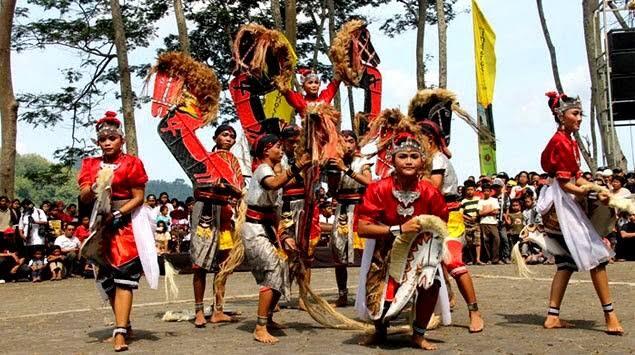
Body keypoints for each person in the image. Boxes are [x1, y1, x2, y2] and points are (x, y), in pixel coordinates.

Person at [538, 92, 622, 335]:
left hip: (563, 201)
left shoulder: (569, 140)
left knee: (566, 263)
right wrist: (594, 194)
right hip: (562, 204)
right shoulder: (561, 142)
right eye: (575, 113)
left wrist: (594, 187)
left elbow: (575, 178)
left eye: (580, 113)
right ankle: (610, 316)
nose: (580, 118)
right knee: (598, 257)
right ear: (560, 116)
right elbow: (566, 184)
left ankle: (552, 316)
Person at [355, 132, 449, 350]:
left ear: (422, 161)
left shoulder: (430, 192)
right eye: (403, 156)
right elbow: (362, 227)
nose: (408, 161)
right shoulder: (378, 188)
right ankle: (380, 332)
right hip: (386, 247)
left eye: (414, 156)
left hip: (421, 248)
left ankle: (418, 334)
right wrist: (398, 229)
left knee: (430, 283)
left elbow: (440, 223)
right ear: (392, 159)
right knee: (379, 292)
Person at [78, 111, 158, 351]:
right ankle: (124, 323)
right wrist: (94, 188)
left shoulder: (132, 163)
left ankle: (120, 331)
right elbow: (83, 193)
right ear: (98, 142)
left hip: (127, 223)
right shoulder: (91, 164)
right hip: (101, 223)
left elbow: (139, 197)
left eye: (112, 138)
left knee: (124, 275)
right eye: (103, 139)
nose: (107, 142)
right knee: (107, 279)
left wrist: (118, 214)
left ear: (121, 140)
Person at [419, 120, 484, 332]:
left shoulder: (437, 158)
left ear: (428, 139)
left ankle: (474, 311)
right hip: (432, 217)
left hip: (449, 218)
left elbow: (434, 186)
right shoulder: (428, 159)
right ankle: (433, 310)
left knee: (454, 264)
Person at [242, 134, 305, 344]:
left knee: (281, 270)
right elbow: (273, 184)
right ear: (266, 150)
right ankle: (259, 327)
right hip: (255, 229)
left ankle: (267, 319)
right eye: (277, 146)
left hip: (267, 227)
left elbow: (274, 211)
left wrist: (284, 235)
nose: (281, 150)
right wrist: (296, 168)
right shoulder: (262, 170)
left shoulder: (272, 172)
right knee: (271, 271)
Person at [190, 124, 243, 327]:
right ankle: (199, 311)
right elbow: (197, 182)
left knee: (223, 264)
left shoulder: (234, 162)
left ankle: (218, 310)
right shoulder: (203, 158)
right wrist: (213, 183)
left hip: (224, 212)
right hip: (204, 210)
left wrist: (230, 188)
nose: (228, 138)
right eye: (224, 134)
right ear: (215, 138)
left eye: (231, 136)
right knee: (200, 265)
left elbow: (240, 188)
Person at [327, 130, 372, 307]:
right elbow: (332, 191)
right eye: (343, 141)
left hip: (360, 209)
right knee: (338, 253)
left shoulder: (363, 162)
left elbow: (369, 182)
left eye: (351, 140)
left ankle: (369, 293)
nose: (347, 144)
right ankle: (342, 295)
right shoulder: (333, 162)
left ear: (356, 144)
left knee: (365, 253)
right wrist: (334, 170)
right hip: (342, 210)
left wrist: (346, 169)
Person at [478, 183, 500, 264]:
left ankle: (495, 259)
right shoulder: (480, 202)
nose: (486, 192)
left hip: (493, 223)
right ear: (482, 192)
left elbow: (497, 211)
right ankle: (488, 258)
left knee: (496, 239)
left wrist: (485, 211)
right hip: (483, 222)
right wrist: (491, 210)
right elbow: (480, 213)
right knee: (485, 241)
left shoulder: (494, 200)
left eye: (488, 191)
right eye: (485, 191)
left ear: (490, 192)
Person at [461, 180, 482, 265]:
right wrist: (469, 219)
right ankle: (470, 259)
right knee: (468, 242)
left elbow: (481, 209)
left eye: (471, 189)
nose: (469, 191)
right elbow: (461, 213)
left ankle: (478, 259)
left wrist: (476, 216)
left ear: (475, 190)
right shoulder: (463, 201)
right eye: (468, 190)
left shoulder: (479, 199)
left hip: (476, 222)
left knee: (477, 241)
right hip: (467, 223)